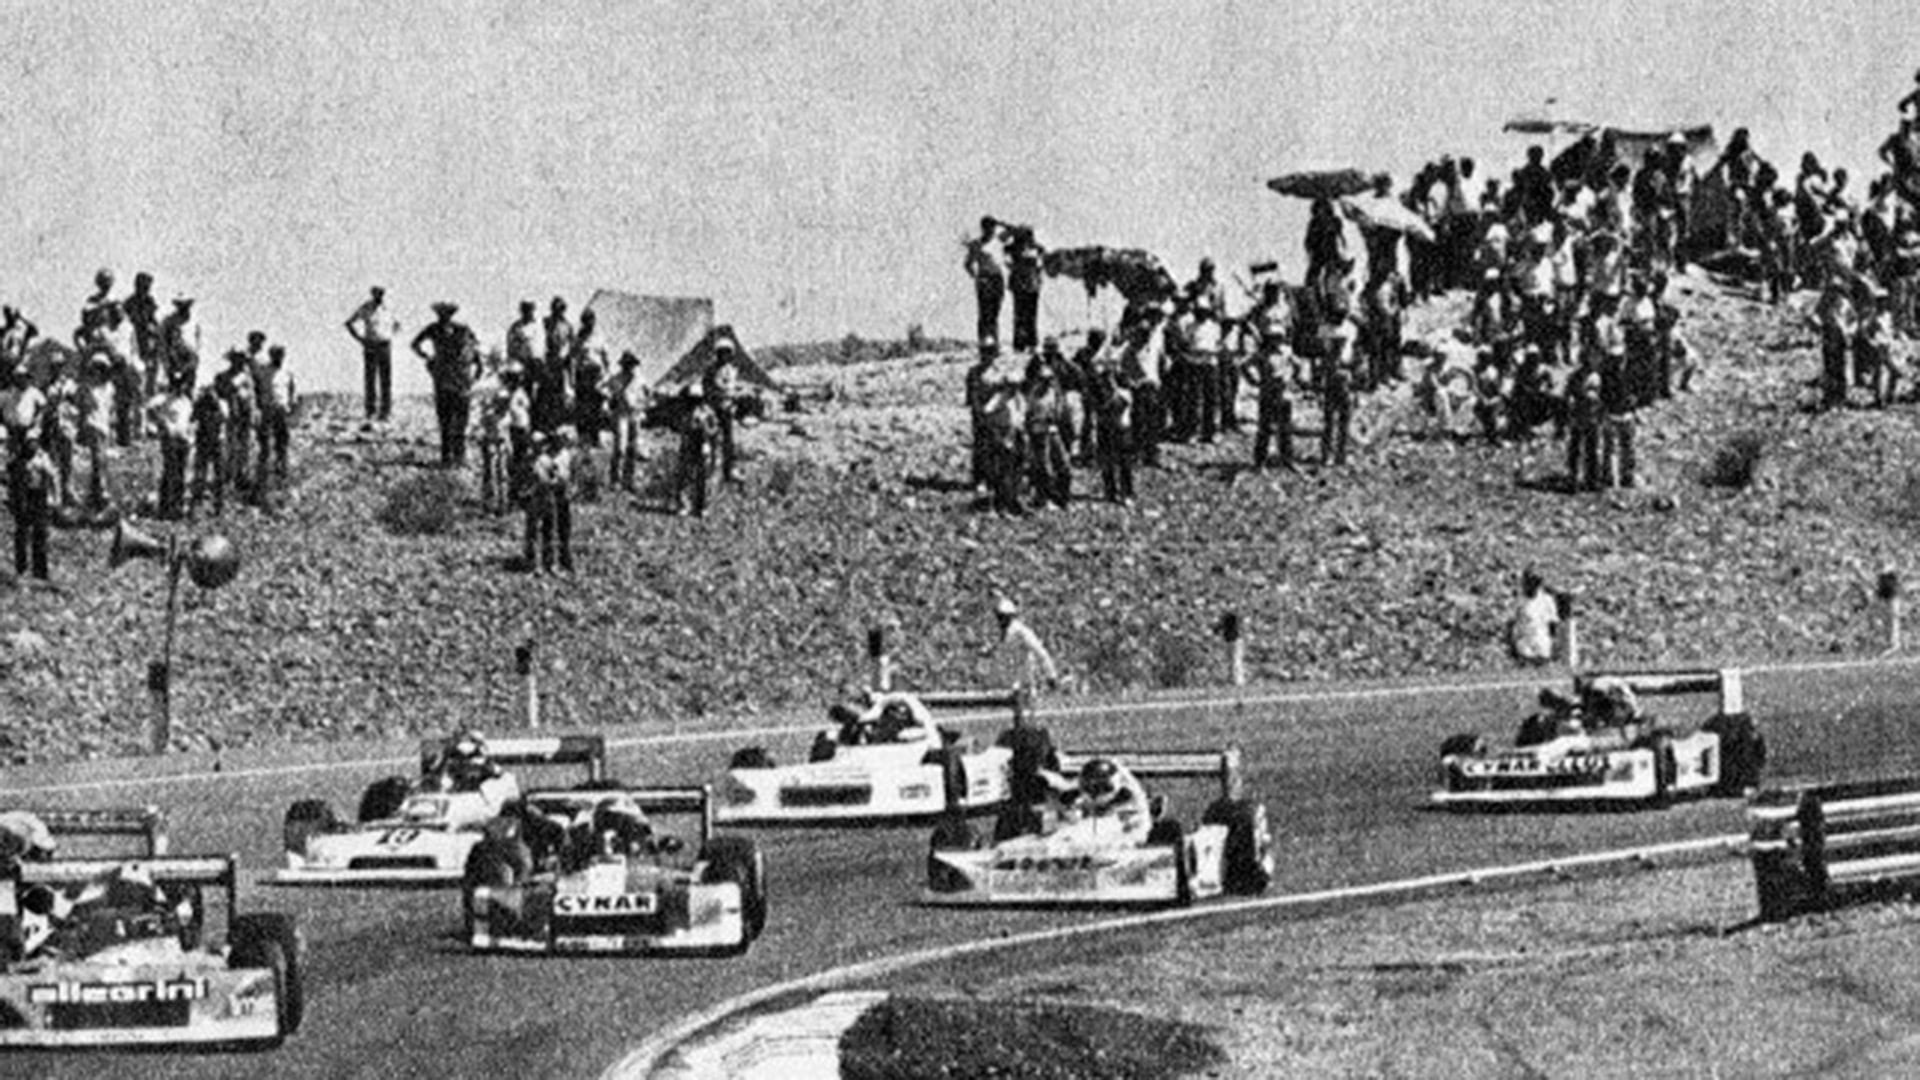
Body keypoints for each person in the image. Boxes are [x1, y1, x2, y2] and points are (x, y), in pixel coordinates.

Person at [411, 302, 478, 466]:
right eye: (442, 314)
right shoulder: (434, 329)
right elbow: (415, 345)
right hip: (444, 380)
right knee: (446, 420)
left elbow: (475, 349)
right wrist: (428, 358)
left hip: (459, 380)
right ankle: (448, 457)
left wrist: (473, 375)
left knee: (460, 422)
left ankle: (458, 456)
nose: (444, 317)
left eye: (447, 314)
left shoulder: (462, 330)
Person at [344, 285, 399, 421]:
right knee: (370, 378)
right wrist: (360, 339)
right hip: (370, 344)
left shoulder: (389, 308)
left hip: (384, 344)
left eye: (381, 294)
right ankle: (370, 410)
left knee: (386, 379)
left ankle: (385, 410)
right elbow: (349, 323)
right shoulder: (366, 308)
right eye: (377, 294)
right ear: (373, 294)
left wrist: (390, 335)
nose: (379, 296)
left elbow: (397, 324)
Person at [1022, 360, 1071, 510]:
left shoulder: (1055, 392)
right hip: (1039, 432)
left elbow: (1060, 410)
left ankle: (1062, 498)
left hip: (1053, 430)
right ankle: (1044, 499)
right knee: (1044, 468)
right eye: (1044, 380)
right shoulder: (1033, 394)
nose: (1048, 382)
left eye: (1049, 379)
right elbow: (1029, 416)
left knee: (1064, 466)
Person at [527, 428, 575, 573]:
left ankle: (560, 560)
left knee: (560, 528)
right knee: (538, 530)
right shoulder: (540, 459)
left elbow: (568, 474)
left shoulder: (563, 456)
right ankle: (537, 562)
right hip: (540, 497)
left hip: (558, 496)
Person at [9, 432, 56, 581]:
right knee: (22, 534)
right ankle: (21, 569)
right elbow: (13, 481)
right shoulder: (19, 461)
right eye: (30, 442)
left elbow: (52, 477)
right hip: (23, 497)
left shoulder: (43, 458)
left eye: (35, 442)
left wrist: (53, 497)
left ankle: (40, 572)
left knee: (40, 533)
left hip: (39, 496)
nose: (33, 446)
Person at [147, 375, 193, 520]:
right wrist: (162, 423)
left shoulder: (186, 401)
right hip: (170, 439)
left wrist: (189, 436)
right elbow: (150, 409)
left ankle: (177, 507)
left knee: (180, 472)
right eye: (176, 384)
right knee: (170, 471)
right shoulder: (165, 399)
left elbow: (189, 420)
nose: (179, 387)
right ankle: (165, 507)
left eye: (181, 384)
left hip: (183, 440)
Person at [993, 596, 1061, 693]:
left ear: (1009, 616)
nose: (999, 620)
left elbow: (1041, 653)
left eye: (1002, 617)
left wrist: (1051, 676)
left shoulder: (1021, 631)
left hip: (1023, 681)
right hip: (1010, 680)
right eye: (999, 616)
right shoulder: (1005, 632)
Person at [255, 345, 295, 492]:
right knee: (264, 444)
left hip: (281, 410)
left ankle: (281, 473)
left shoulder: (287, 372)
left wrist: (290, 404)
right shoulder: (264, 370)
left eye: (280, 354)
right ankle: (262, 476)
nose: (278, 357)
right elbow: (258, 389)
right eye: (275, 354)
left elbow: (291, 388)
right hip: (267, 410)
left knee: (282, 443)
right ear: (271, 355)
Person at [606, 352, 647, 493]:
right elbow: (609, 396)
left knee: (633, 448)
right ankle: (615, 479)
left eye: (632, 365)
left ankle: (629, 480)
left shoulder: (639, 380)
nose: (630, 367)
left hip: (635, 415)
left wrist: (641, 406)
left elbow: (645, 396)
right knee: (620, 448)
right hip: (621, 415)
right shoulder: (616, 380)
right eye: (628, 365)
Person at [703, 339, 742, 484]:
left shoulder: (732, 370)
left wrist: (733, 398)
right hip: (714, 408)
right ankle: (711, 471)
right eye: (721, 352)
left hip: (727, 409)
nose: (724, 356)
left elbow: (732, 388)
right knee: (712, 440)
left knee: (729, 441)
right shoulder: (711, 369)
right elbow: (707, 388)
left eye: (727, 353)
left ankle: (729, 470)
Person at [674, 386, 717, 517]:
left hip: (703, 444)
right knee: (685, 474)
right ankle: (684, 505)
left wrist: (706, 434)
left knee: (704, 476)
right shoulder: (685, 412)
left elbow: (714, 428)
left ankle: (702, 506)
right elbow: (679, 426)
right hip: (689, 444)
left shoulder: (708, 412)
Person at [963, 216, 1006, 346]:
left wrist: (1001, 222)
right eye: (989, 227)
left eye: (993, 227)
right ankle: (985, 341)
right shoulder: (976, 244)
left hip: (997, 277)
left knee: (995, 311)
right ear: (983, 228)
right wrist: (975, 276)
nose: (991, 230)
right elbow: (968, 264)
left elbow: (1016, 231)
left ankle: (994, 340)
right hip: (985, 278)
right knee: (985, 311)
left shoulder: (998, 241)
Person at [188, 381, 228, 516]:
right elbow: (192, 419)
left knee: (217, 475)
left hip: (214, 441)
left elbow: (224, 419)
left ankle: (218, 505)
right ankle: (199, 505)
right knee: (201, 474)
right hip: (205, 441)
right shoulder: (201, 404)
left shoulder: (220, 404)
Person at [122, 272, 161, 402]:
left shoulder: (150, 302)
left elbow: (154, 320)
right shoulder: (129, 303)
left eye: (147, 286)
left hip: (147, 341)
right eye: (143, 286)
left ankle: (149, 394)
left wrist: (153, 329)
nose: (145, 289)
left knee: (151, 368)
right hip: (134, 338)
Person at [1508, 569, 1560, 666]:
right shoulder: (1519, 601)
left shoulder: (1547, 600)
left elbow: (1553, 624)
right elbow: (1511, 623)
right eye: (1527, 583)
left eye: (1534, 583)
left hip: (1542, 644)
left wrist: (1554, 645)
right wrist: (1512, 646)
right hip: (1524, 644)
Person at [1006, 227, 1044, 352]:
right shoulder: (1013, 249)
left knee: (1030, 315)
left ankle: (1030, 342)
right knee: (1020, 315)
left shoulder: (1036, 248)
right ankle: (1020, 344)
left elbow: (1041, 264)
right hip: (1021, 284)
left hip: (1031, 284)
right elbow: (1008, 262)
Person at [432, 730, 501, 792]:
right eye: (479, 742)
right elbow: (450, 754)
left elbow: (485, 760)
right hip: (458, 770)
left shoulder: (481, 750)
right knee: (446, 783)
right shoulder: (465, 747)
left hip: (469, 772)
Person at [158, 296, 201, 392]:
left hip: (188, 360)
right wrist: (168, 364)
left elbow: (196, 343)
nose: (184, 309)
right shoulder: (168, 322)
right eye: (182, 306)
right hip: (173, 359)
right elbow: (163, 344)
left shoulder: (193, 323)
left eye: (186, 306)